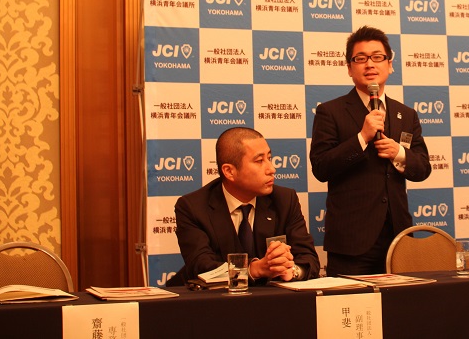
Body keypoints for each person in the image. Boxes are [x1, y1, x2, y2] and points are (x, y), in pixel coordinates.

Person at [310, 25, 431, 276]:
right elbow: (321, 168)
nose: (369, 64)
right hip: (351, 241)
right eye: (360, 58)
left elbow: (422, 168)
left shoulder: (406, 114)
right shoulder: (330, 111)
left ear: (390, 64)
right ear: (349, 68)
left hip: (397, 237)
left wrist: (399, 153)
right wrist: (361, 138)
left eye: (377, 57)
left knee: (400, 300)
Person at [167, 127, 319, 286]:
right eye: (259, 161)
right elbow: (201, 266)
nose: (272, 169)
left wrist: (291, 270)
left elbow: (309, 259)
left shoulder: (285, 200)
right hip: (211, 299)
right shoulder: (193, 207)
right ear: (229, 171)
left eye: (269, 158)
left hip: (270, 298)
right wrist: (254, 270)